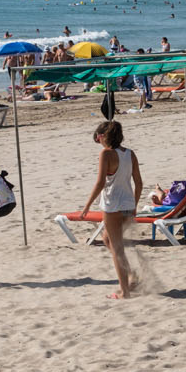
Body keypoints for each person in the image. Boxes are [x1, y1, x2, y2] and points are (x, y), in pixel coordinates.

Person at [78, 120, 142, 299]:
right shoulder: (130, 154)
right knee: (108, 239)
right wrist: (134, 204)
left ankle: (125, 291)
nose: (97, 140)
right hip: (128, 203)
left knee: (116, 248)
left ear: (103, 136)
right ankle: (132, 276)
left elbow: (99, 183)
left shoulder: (106, 154)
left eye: (98, 137)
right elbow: (139, 183)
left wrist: (87, 206)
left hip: (113, 205)